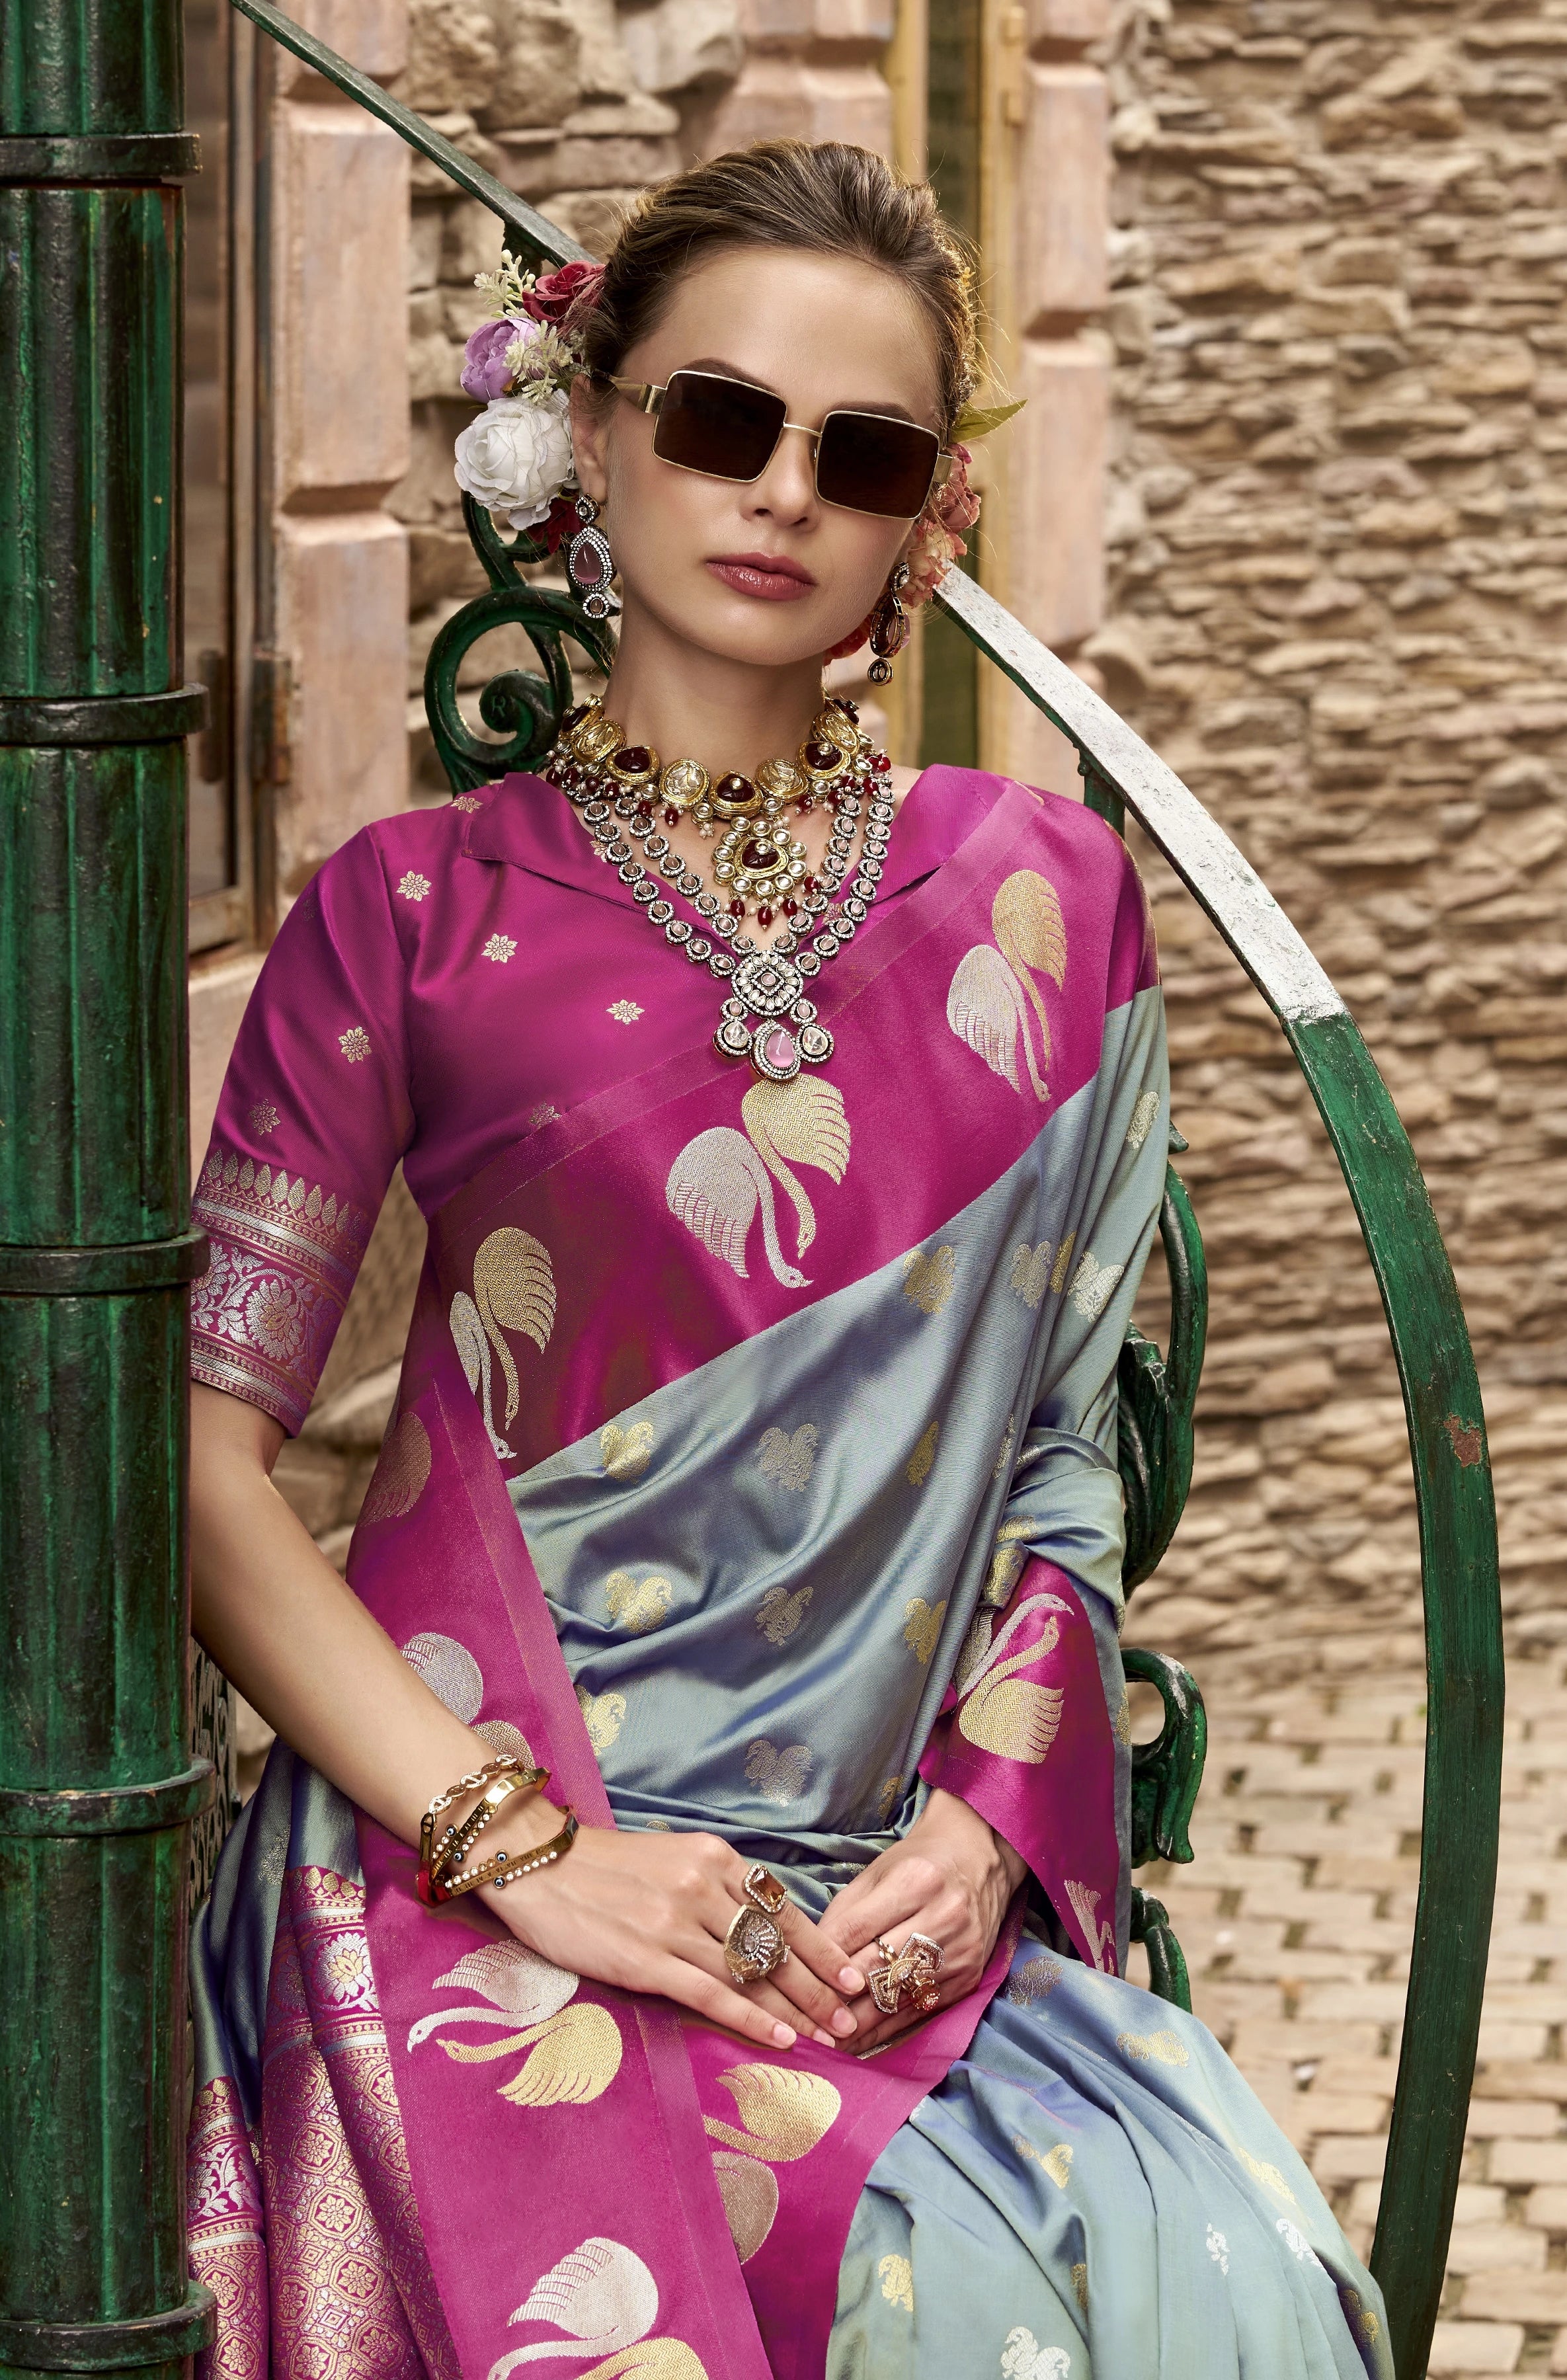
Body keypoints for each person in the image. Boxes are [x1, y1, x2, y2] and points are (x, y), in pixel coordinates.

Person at [186, 138, 1390, 2380]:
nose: (781, 496)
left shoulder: (1044, 896)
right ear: (590, 434)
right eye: (719, 419)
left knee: (1190, 2274)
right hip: (474, 1846)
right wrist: (518, 1849)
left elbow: (1052, 1440)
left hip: (867, 1875)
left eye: (866, 456)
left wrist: (984, 1825)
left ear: (922, 524)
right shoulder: (410, 916)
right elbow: (195, 1458)